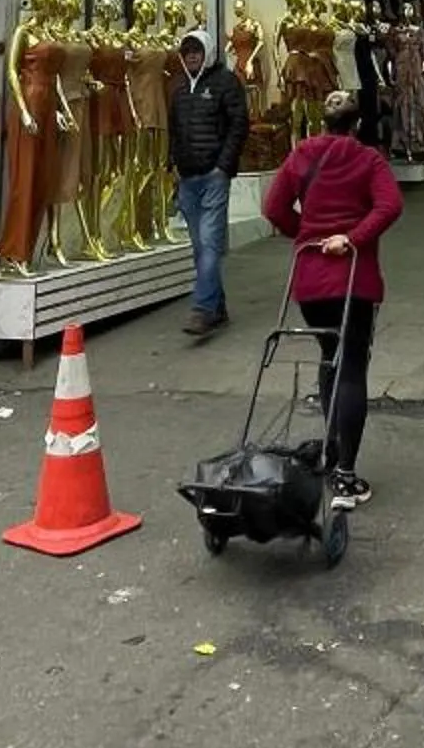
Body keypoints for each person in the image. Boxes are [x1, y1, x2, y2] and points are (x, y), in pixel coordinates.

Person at [262, 88, 404, 508]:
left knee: (330, 358)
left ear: (321, 122)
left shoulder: (302, 153)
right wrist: (352, 238)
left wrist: (305, 234)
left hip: (310, 280)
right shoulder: (367, 159)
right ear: (357, 124)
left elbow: (274, 208)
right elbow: (390, 206)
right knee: (353, 367)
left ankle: (329, 446)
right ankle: (345, 473)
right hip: (354, 279)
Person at [170, 29, 249, 340]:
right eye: (186, 50)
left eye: (197, 50)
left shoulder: (226, 82)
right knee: (200, 247)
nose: (191, 55)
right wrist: (172, 164)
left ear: (208, 52)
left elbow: (239, 124)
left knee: (210, 243)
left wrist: (223, 167)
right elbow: (174, 129)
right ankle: (217, 307)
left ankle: (202, 309)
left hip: (213, 177)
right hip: (187, 179)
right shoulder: (178, 88)